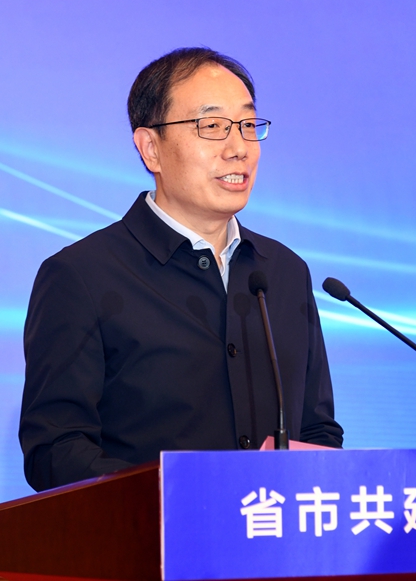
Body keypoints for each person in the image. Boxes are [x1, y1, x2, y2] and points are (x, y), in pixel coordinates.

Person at [19, 47, 343, 492]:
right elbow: (55, 451)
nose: (239, 149)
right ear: (151, 148)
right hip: (147, 534)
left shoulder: (284, 272)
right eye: (212, 126)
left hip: (270, 532)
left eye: (248, 125)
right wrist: (180, 498)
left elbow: (318, 430)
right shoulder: (81, 277)